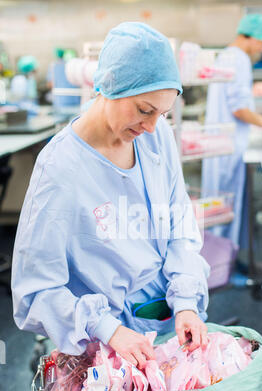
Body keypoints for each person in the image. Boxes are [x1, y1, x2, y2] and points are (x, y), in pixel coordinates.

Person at [11, 22, 210, 370]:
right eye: (144, 110)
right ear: (110, 86)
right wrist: (109, 329)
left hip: (166, 321)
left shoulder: (155, 137)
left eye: (161, 114)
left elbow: (180, 225)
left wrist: (186, 302)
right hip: (103, 344)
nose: (150, 126)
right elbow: (36, 289)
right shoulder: (60, 169)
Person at [201, 14, 262, 249]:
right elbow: (239, 109)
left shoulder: (225, 56)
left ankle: (219, 261)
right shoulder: (239, 60)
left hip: (218, 144)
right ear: (253, 37)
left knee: (218, 208)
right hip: (228, 146)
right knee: (226, 209)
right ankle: (223, 267)